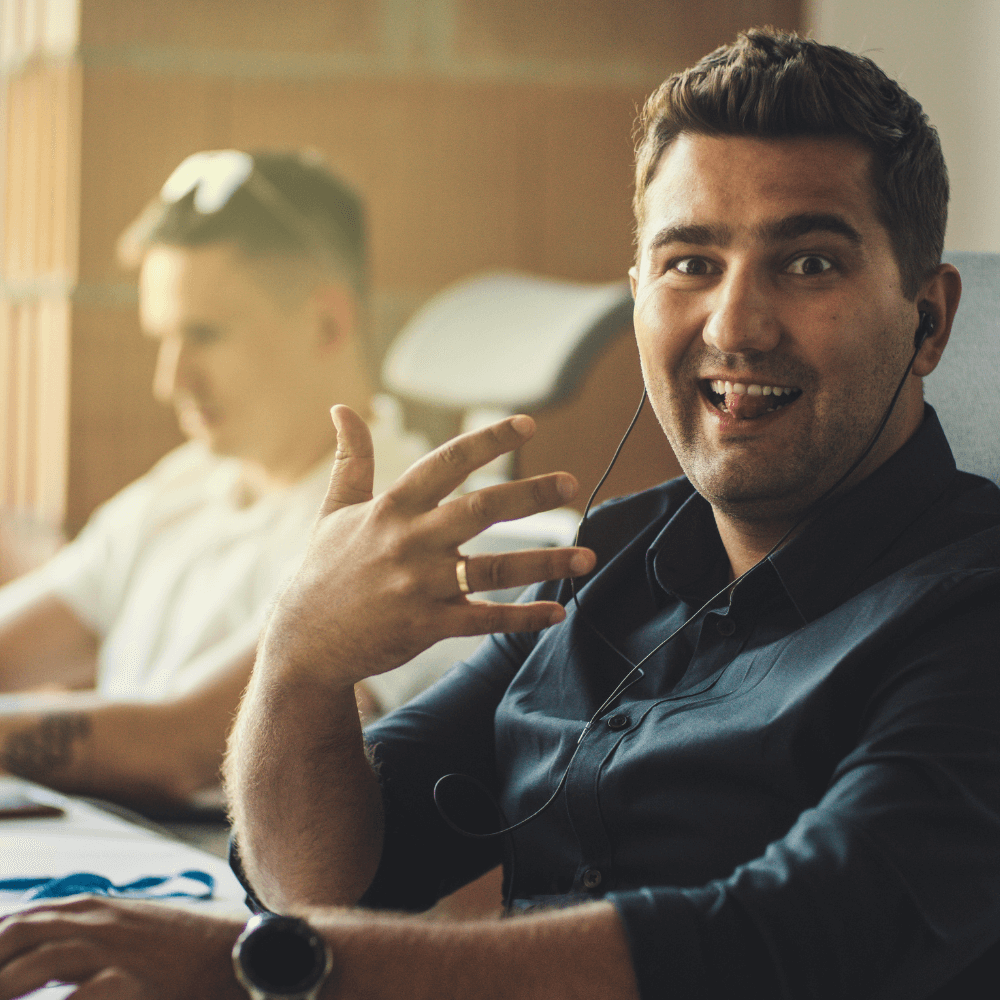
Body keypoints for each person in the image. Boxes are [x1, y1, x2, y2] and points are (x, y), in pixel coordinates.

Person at [2, 27, 999, 1000]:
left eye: (809, 263)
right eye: (689, 262)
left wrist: (248, 967)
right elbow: (325, 879)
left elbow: (780, 943)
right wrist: (301, 655)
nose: (734, 323)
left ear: (929, 318)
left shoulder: (970, 611)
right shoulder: (608, 562)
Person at [0, 150, 428, 806]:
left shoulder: (408, 529)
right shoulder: (185, 485)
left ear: (327, 321)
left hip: (225, 890)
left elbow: (179, 749)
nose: (169, 381)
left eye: (204, 334)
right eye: (162, 338)